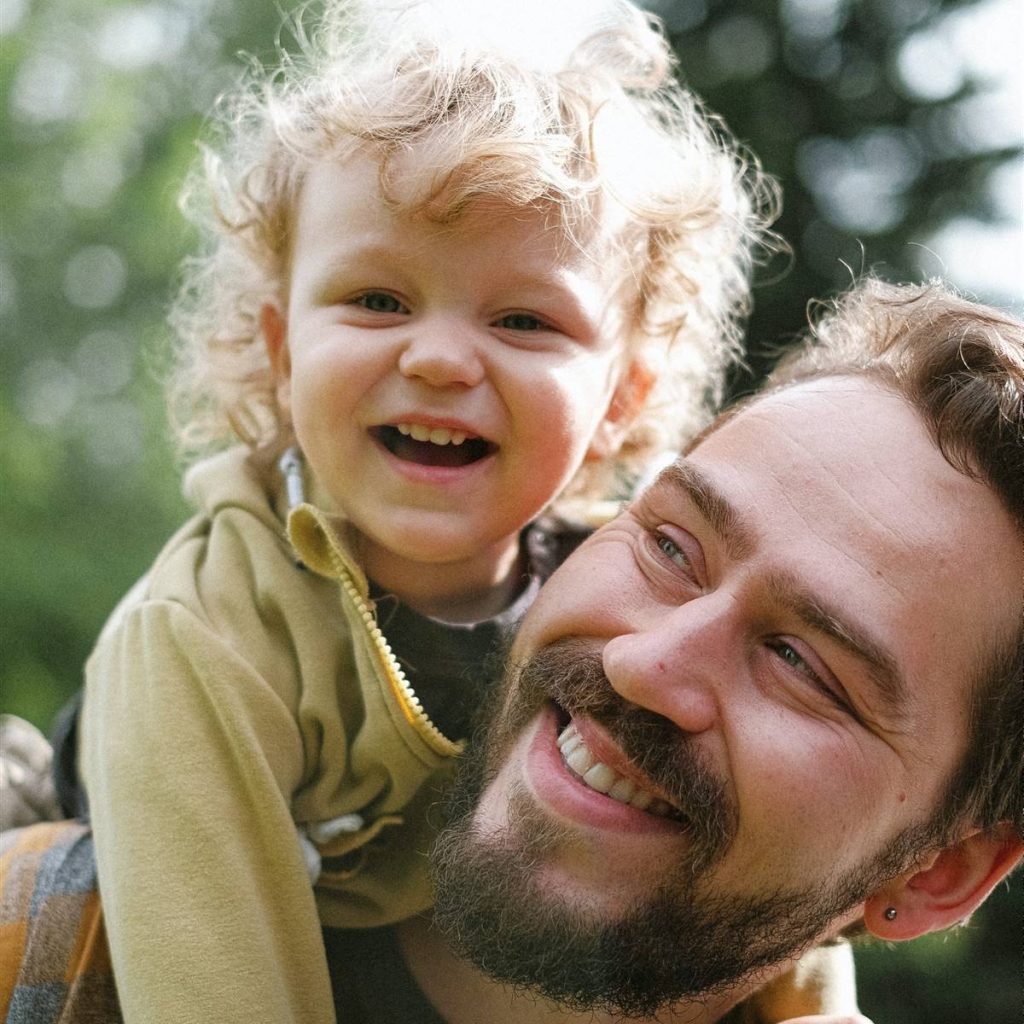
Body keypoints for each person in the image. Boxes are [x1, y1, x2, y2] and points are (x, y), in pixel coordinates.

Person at [14, 2, 852, 1023]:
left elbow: (754, 870)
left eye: (522, 319)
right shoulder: (205, 632)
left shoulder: (625, 607)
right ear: (283, 350)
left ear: (621, 395)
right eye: (375, 299)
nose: (441, 358)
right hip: (147, 878)